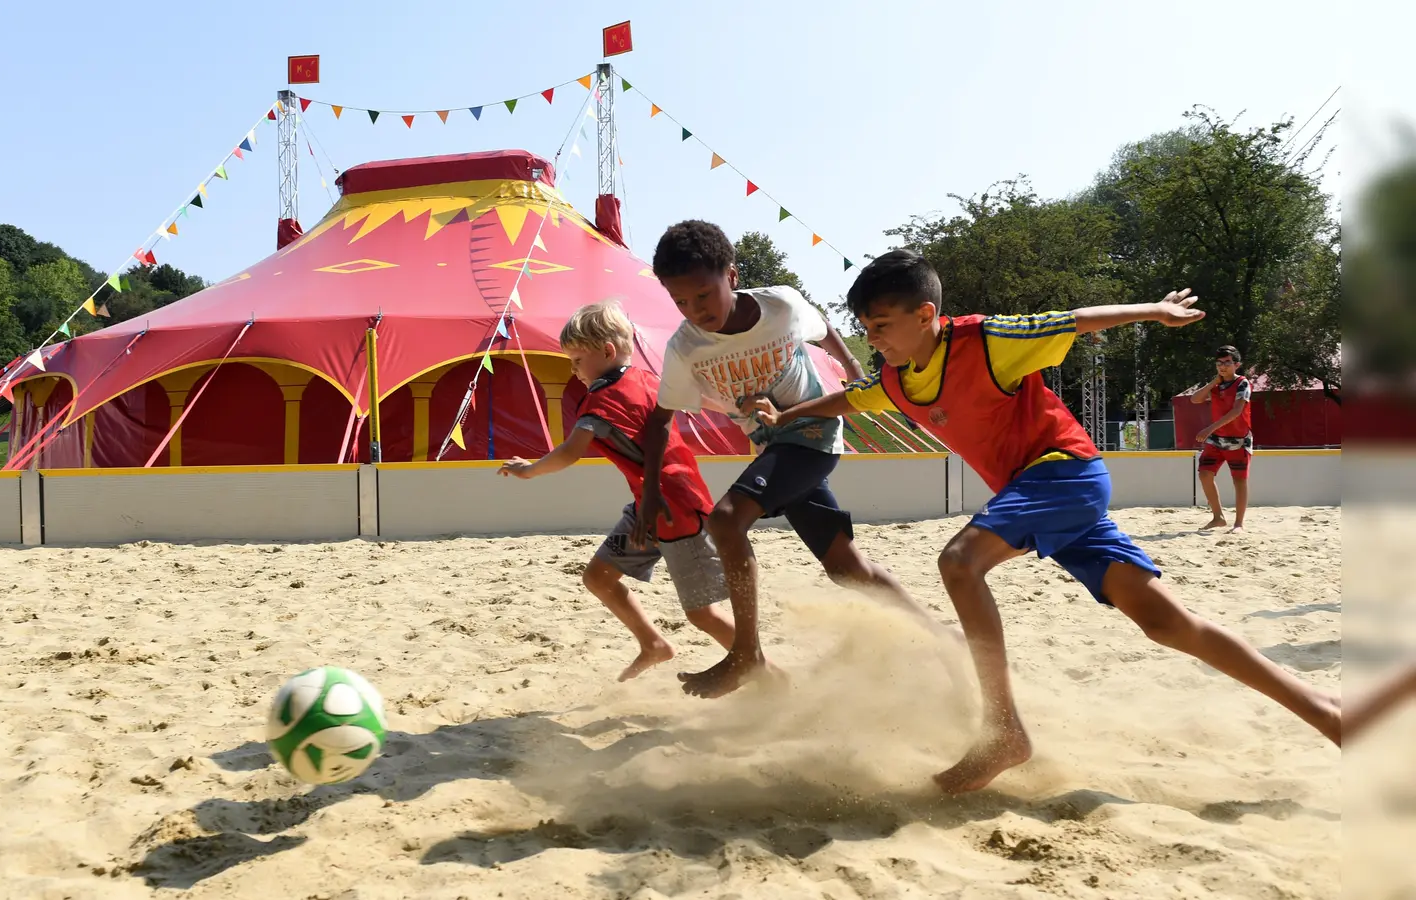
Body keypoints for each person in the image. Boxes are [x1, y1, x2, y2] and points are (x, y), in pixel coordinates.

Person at [753, 250, 1342, 793]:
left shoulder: (987, 341)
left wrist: (1156, 312)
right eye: (864, 325)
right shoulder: (894, 380)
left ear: (926, 314)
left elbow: (1076, 319)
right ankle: (1329, 714)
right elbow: (847, 401)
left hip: (1065, 472)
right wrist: (786, 417)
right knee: (1169, 624)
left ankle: (1004, 731)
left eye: (880, 325)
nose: (870, 337)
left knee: (958, 562)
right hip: (1045, 496)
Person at [634, 220, 949, 700]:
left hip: (813, 433)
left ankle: (747, 654)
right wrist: (649, 491)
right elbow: (659, 420)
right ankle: (942, 639)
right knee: (846, 567)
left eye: (703, 296)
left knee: (725, 519)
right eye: (680, 302)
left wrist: (854, 368)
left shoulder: (780, 305)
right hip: (773, 448)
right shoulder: (685, 347)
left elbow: (823, 329)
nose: (694, 311)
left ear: (732, 276)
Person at [499, 301, 738, 681]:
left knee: (701, 613)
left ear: (607, 351)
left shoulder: (601, 401)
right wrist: (739, 406)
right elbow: (698, 397)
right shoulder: (643, 377)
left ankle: (758, 665)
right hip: (650, 506)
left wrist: (529, 470)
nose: (572, 369)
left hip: (674, 509)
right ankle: (654, 645)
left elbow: (570, 452)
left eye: (577, 359)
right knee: (598, 577)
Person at [1189, 345, 1253, 532]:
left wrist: (1209, 428)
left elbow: (1236, 411)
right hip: (1217, 440)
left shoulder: (1242, 383)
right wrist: (1212, 383)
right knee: (1204, 473)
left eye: (1227, 362)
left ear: (1237, 364)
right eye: (1219, 363)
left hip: (1238, 440)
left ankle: (1239, 524)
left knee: (1239, 481)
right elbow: (1195, 399)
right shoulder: (1216, 385)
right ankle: (1218, 517)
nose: (1222, 366)